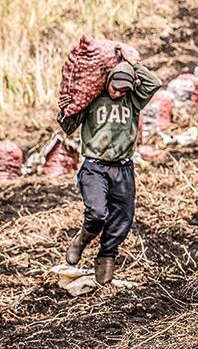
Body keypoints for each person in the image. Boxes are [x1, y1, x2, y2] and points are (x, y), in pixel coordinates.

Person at [57, 54, 161, 285]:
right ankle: (81, 241)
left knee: (123, 217)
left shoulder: (133, 100)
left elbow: (154, 83)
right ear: (107, 81)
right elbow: (69, 126)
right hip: (95, 166)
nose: (118, 93)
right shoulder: (93, 98)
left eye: (124, 89)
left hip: (123, 168)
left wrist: (132, 63)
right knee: (96, 212)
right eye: (115, 88)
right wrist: (64, 111)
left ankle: (106, 255)